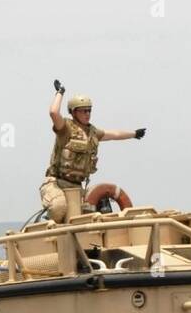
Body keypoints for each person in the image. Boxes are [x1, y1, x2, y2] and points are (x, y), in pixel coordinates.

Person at [40, 82, 146, 223]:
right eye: (83, 110)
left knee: (94, 211)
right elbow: (53, 113)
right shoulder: (65, 128)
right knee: (59, 208)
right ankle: (48, 222)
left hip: (77, 186)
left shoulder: (92, 133)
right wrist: (60, 92)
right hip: (56, 183)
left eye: (89, 110)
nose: (87, 114)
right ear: (73, 112)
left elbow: (114, 134)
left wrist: (134, 134)